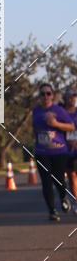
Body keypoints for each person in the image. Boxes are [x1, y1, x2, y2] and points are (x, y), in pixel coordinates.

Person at [32, 83, 75, 220]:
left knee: (59, 179)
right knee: (46, 181)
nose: (45, 96)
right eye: (42, 94)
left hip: (59, 152)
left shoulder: (59, 110)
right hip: (41, 151)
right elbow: (34, 129)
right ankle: (52, 210)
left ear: (53, 95)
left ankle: (63, 196)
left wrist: (56, 124)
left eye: (48, 93)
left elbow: (71, 127)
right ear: (39, 96)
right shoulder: (36, 111)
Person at [62, 88, 77, 213]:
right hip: (64, 151)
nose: (72, 99)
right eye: (69, 97)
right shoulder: (60, 113)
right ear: (65, 99)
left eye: (74, 96)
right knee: (72, 178)